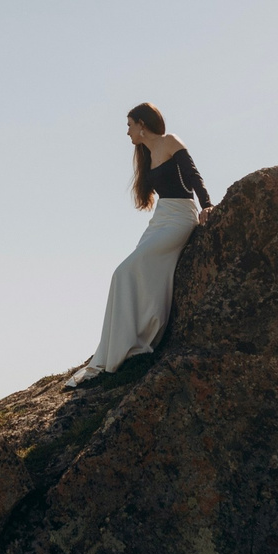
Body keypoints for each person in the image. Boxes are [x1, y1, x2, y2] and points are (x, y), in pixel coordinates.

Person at [74, 103, 213, 384]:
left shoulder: (170, 141)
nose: (127, 133)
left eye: (129, 125)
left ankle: (138, 339)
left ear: (141, 124)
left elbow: (193, 176)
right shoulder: (145, 155)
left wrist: (207, 205)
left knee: (128, 269)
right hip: (161, 218)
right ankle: (120, 344)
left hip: (180, 217)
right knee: (123, 274)